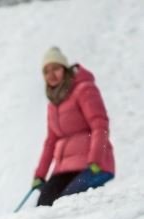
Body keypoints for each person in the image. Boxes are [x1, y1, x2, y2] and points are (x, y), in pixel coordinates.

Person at [32, 47, 115, 207]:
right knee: (44, 204)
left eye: (56, 68)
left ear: (65, 69)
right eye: (46, 71)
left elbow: (100, 125)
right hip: (64, 168)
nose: (51, 75)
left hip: (92, 165)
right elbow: (51, 141)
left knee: (67, 203)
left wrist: (95, 159)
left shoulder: (84, 90)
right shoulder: (53, 104)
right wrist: (40, 175)